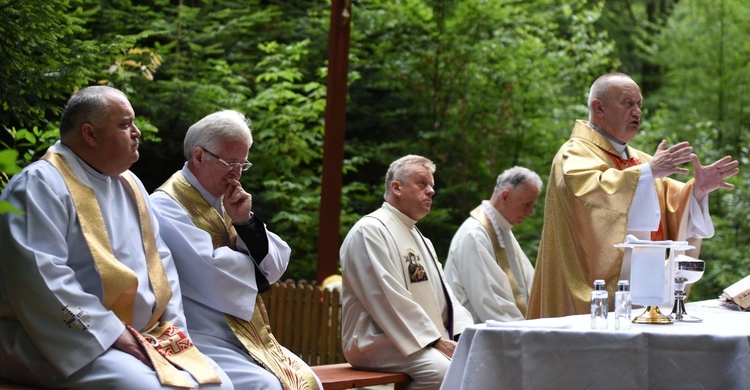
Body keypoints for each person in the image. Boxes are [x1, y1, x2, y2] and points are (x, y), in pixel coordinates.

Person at [0, 86, 230, 389]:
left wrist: (173, 327)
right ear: (90, 134)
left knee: (218, 384)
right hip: (62, 341)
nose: (136, 132)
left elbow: (160, 263)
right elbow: (40, 278)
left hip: (143, 334)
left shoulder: (130, 183)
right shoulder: (39, 185)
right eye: (125, 124)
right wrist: (114, 334)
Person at [527, 73, 739, 319]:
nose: (637, 111)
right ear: (599, 107)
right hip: (594, 293)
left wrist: (698, 191)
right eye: (628, 103)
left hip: (643, 291)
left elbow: (672, 202)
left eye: (639, 104)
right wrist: (649, 172)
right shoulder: (574, 153)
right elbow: (589, 192)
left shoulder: (640, 160)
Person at [150, 110, 320, 389]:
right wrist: (255, 266)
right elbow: (212, 271)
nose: (237, 173)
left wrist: (245, 221)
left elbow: (277, 262)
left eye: (243, 164)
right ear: (199, 156)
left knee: (307, 379)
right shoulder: (165, 205)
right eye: (230, 162)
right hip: (201, 332)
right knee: (267, 386)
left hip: (239, 333)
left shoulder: (227, 201)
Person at [339, 155, 473, 390]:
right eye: (422, 183)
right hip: (374, 339)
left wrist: (463, 333)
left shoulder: (420, 238)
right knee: (441, 371)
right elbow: (387, 297)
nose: (431, 191)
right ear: (396, 187)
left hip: (416, 337)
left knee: (472, 362)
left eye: (432, 185)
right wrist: (435, 341)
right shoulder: (370, 231)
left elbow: (444, 295)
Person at [444, 166, 542, 323]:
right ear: (504, 197)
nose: (530, 212)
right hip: (474, 336)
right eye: (527, 204)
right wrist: (527, 330)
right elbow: (489, 300)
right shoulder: (474, 235)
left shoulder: (502, 230)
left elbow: (528, 285)